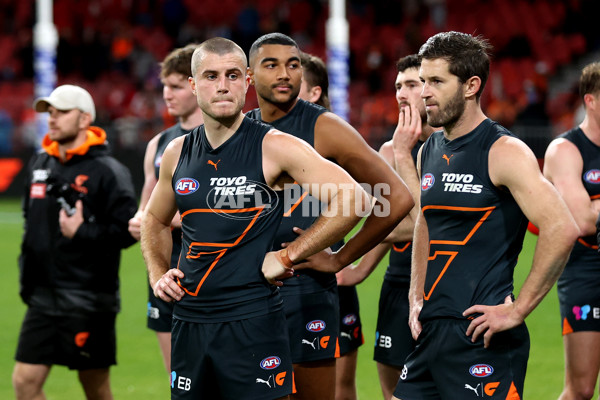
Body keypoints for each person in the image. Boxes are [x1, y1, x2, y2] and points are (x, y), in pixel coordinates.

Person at [140, 37, 371, 400]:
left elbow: (353, 197)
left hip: (253, 321)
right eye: (211, 76)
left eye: (232, 75)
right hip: (190, 319)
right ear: (193, 84)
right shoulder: (176, 152)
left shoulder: (275, 145)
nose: (222, 85)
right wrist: (157, 272)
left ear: (247, 81)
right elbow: (153, 220)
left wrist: (287, 256)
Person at [392, 31, 579, 400]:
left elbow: (562, 227)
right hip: (431, 332)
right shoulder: (429, 149)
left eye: (436, 82)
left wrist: (518, 310)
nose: (424, 92)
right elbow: (424, 224)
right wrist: (416, 295)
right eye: (423, 81)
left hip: (483, 339)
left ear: (470, 85)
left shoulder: (504, 150)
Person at [246, 33, 414, 400]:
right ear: (249, 75)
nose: (284, 74)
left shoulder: (325, 128)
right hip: (246, 291)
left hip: (304, 291)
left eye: (292, 65)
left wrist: (341, 258)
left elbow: (396, 198)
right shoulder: (240, 129)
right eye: (271, 65)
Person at [13, 84, 138, 400]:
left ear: (84, 119)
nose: (52, 119)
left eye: (61, 112)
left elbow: (127, 232)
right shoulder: (41, 164)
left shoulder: (109, 171)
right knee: (25, 383)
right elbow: (31, 222)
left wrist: (82, 232)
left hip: (88, 299)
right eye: (50, 113)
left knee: (95, 388)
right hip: (42, 296)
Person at [337, 54, 436, 400]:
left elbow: (432, 227)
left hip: (441, 284)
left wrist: (404, 223)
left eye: (411, 84)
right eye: (397, 86)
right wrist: (360, 269)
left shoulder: (447, 146)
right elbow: (385, 223)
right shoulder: (388, 150)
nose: (401, 94)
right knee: (392, 392)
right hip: (397, 283)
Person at [128, 43, 203, 372]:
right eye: (164, 86)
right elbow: (147, 203)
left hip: (211, 269)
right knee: (179, 379)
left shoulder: (227, 140)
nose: (166, 94)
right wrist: (139, 219)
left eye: (174, 86)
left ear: (195, 85)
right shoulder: (158, 144)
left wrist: (172, 217)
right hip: (163, 271)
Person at [298, 50, 364, 400]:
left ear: (313, 92)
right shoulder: (267, 141)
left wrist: (346, 259)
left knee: (339, 387)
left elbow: (383, 202)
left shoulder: (336, 142)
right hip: (279, 284)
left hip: (330, 278)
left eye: (296, 80)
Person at [543, 61, 600, 400]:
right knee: (580, 389)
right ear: (590, 101)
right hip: (585, 271)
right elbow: (581, 222)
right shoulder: (565, 150)